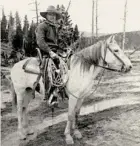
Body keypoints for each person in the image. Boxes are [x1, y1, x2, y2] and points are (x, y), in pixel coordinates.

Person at [35, 5, 62, 106]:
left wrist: (64, 49)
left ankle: (62, 90)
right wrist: (50, 52)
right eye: (50, 14)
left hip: (55, 52)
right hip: (45, 52)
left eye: (54, 15)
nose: (52, 16)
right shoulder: (42, 26)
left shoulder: (54, 27)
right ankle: (49, 95)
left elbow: (57, 43)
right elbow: (40, 41)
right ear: (46, 15)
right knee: (49, 69)